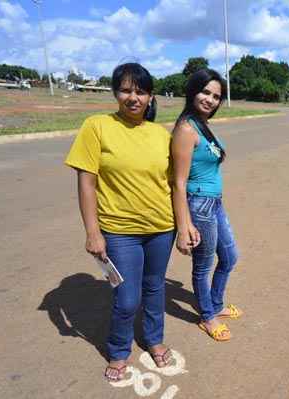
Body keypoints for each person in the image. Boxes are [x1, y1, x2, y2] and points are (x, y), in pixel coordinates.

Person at [65, 63, 176, 381]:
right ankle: (118, 351)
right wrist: (92, 232)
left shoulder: (159, 134)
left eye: (140, 91)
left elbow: (173, 183)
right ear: (116, 92)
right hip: (119, 231)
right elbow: (86, 182)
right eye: (126, 90)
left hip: (161, 228)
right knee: (127, 297)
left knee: (155, 287)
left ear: (150, 96)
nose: (133, 97)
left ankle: (154, 339)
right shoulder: (97, 126)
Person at [171, 69, 241, 342]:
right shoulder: (186, 129)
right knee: (203, 265)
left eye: (216, 96)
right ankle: (207, 317)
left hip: (214, 203)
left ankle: (216, 303)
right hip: (198, 204)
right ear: (193, 91)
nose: (210, 99)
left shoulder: (201, 124)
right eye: (205, 92)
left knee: (230, 257)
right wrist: (184, 224)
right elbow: (178, 182)